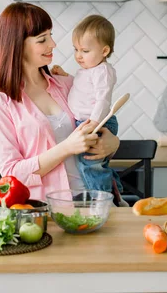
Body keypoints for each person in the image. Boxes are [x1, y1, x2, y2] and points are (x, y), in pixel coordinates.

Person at [0, 3, 120, 203]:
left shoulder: (67, 84)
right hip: (46, 210)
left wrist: (113, 143)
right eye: (42, 39)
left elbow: (99, 130)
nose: (53, 44)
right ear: (17, 45)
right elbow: (11, 174)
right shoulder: (0, 105)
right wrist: (66, 147)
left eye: (51, 35)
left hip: (96, 202)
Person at [50, 15, 124, 202]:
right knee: (95, 164)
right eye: (76, 49)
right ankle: (113, 190)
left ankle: (102, 200)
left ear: (104, 50)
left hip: (95, 122)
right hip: (86, 121)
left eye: (85, 50)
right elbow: (81, 89)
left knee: (90, 164)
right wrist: (65, 75)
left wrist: (95, 123)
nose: (78, 55)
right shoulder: (89, 70)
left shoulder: (103, 71)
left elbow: (103, 99)